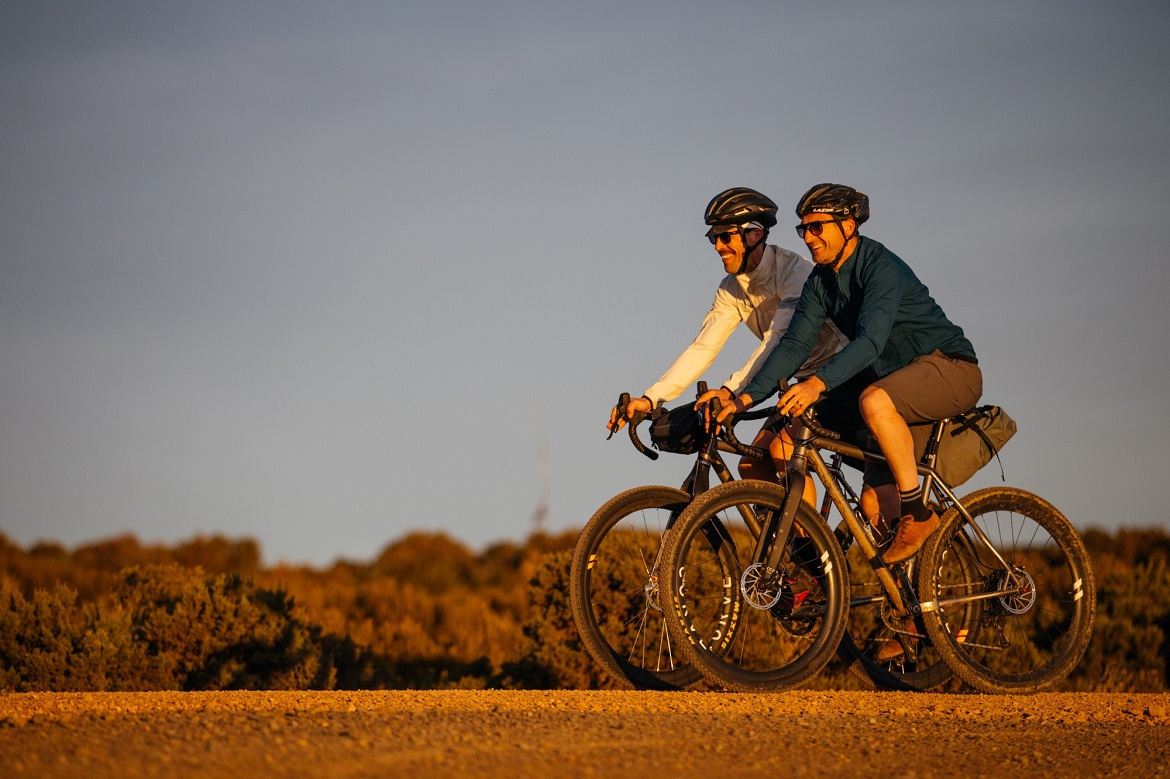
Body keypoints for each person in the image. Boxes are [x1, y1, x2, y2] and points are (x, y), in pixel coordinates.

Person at [717, 183, 982, 568]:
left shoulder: (879, 267)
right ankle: (904, 608)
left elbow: (870, 342)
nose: (809, 237)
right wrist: (741, 399)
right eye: (803, 229)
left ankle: (920, 515)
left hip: (949, 369)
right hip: (887, 387)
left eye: (817, 227)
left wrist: (817, 383)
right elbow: (793, 347)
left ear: (848, 225)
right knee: (866, 496)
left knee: (873, 401)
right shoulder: (821, 281)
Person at [607, 187, 848, 482]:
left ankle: (806, 530)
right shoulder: (731, 288)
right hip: (796, 383)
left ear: (754, 235)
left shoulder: (795, 273)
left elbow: (776, 341)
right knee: (750, 466)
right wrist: (651, 398)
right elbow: (703, 348)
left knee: (784, 454)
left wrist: (732, 392)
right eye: (713, 238)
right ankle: (791, 529)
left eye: (724, 237)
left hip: (838, 380)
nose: (717, 247)